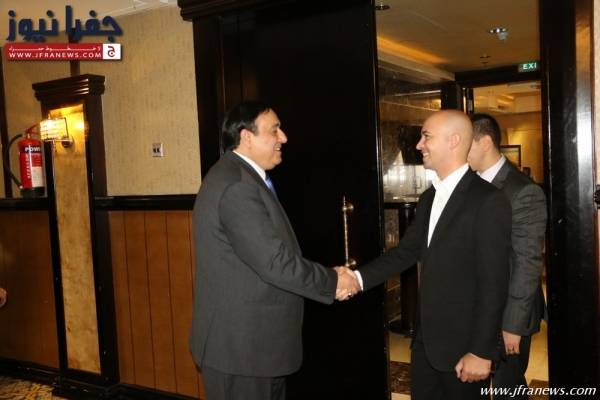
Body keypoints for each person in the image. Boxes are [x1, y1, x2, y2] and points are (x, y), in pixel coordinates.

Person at [189, 100, 359, 400]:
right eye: (275, 130)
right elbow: (275, 262)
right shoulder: (237, 185)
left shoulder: (244, 177)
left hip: (255, 348)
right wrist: (333, 281)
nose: (284, 138)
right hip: (242, 352)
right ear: (246, 136)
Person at [356, 110, 512, 399]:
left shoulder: (488, 200)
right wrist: (356, 279)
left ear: (454, 141)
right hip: (425, 345)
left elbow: (494, 282)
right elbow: (405, 252)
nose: (419, 145)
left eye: (426, 136)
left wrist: (481, 351)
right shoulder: (428, 198)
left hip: (464, 350)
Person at [468, 113, 547, 399]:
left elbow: (527, 264)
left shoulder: (523, 190)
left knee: (507, 388)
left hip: (509, 313)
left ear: (485, 142)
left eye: (466, 143)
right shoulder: (470, 184)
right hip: (481, 306)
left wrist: (512, 325)